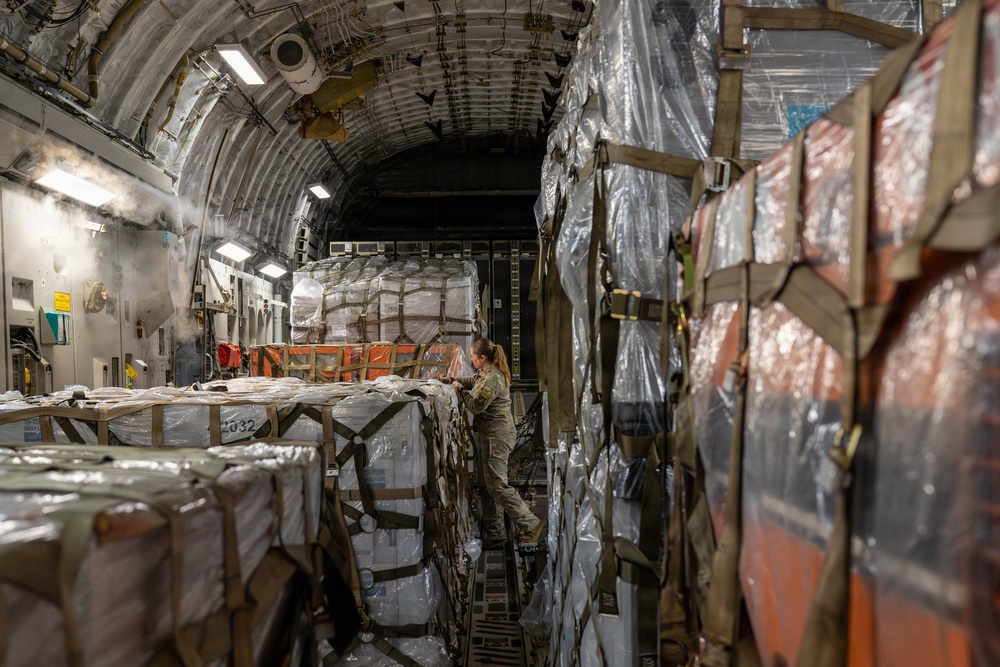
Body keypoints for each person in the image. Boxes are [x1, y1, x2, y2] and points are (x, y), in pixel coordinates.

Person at [445, 338, 545, 550]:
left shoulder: (493, 379)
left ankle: (531, 524)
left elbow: (476, 406)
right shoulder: (486, 374)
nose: (471, 360)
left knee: (498, 486)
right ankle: (495, 532)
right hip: (489, 436)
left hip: (496, 438)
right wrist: (453, 379)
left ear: (482, 358)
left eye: (473, 356)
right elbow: (473, 381)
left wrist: (459, 390)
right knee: (485, 485)